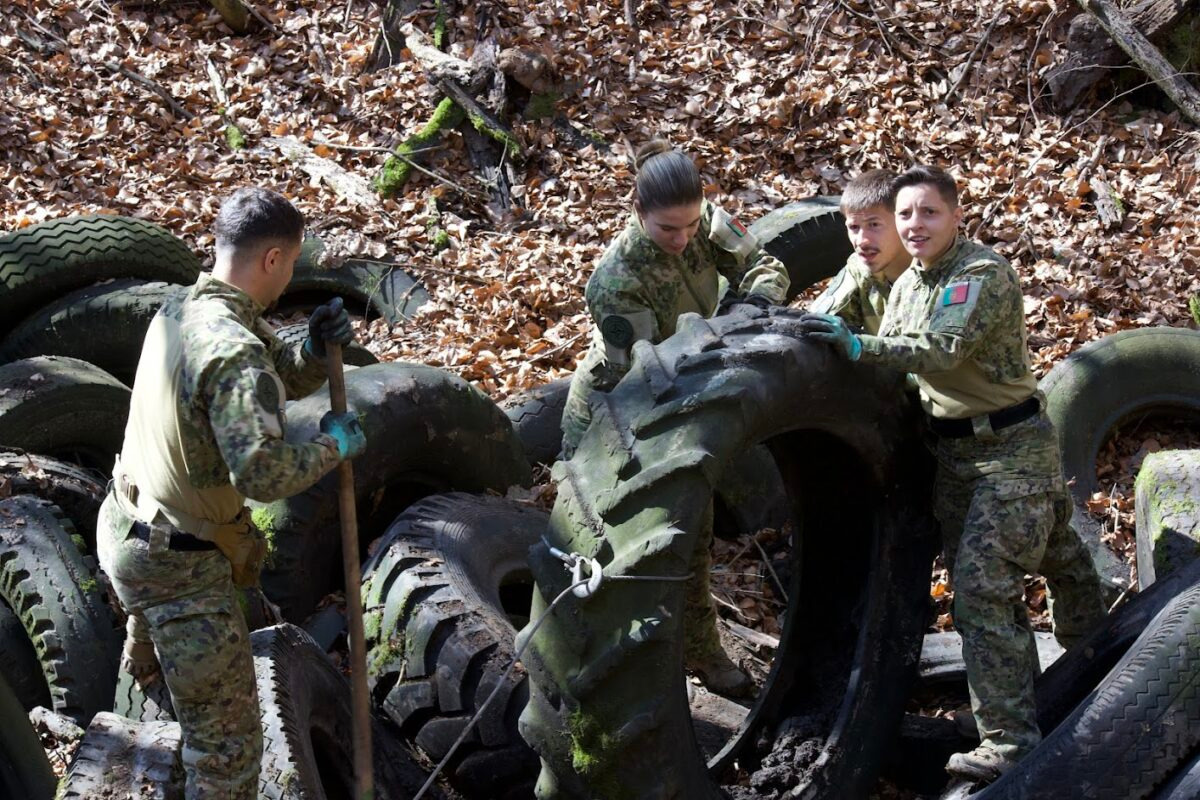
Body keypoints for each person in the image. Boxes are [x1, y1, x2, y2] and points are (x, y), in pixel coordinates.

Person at [798, 166, 1107, 784]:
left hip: (1011, 450)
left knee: (983, 588)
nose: (915, 225)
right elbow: (891, 364)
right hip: (955, 457)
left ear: (956, 215)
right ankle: (1093, 657)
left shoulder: (978, 275)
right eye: (906, 214)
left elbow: (940, 349)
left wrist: (858, 346)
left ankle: (1011, 740)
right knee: (1058, 554)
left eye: (929, 213)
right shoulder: (908, 278)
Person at [96, 187, 367, 798]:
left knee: (154, 659)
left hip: (125, 523)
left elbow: (266, 382)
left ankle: (149, 691)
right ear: (272, 260)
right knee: (229, 763)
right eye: (293, 262)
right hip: (179, 570)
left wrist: (315, 348)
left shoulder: (184, 309)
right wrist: (334, 447)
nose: (291, 274)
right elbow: (263, 475)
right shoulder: (233, 349)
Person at [560, 139, 790, 696]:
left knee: (692, 532)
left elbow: (766, 264)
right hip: (617, 411)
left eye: (690, 224)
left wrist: (754, 303)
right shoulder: (615, 281)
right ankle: (600, 668)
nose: (683, 238)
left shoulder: (706, 222)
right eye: (668, 229)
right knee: (618, 546)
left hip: (691, 378)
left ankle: (702, 656)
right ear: (637, 209)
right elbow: (653, 372)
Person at [810, 168, 910, 334]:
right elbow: (820, 323)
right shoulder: (860, 268)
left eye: (874, 225)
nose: (862, 241)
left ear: (904, 222)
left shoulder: (941, 272)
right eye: (854, 227)